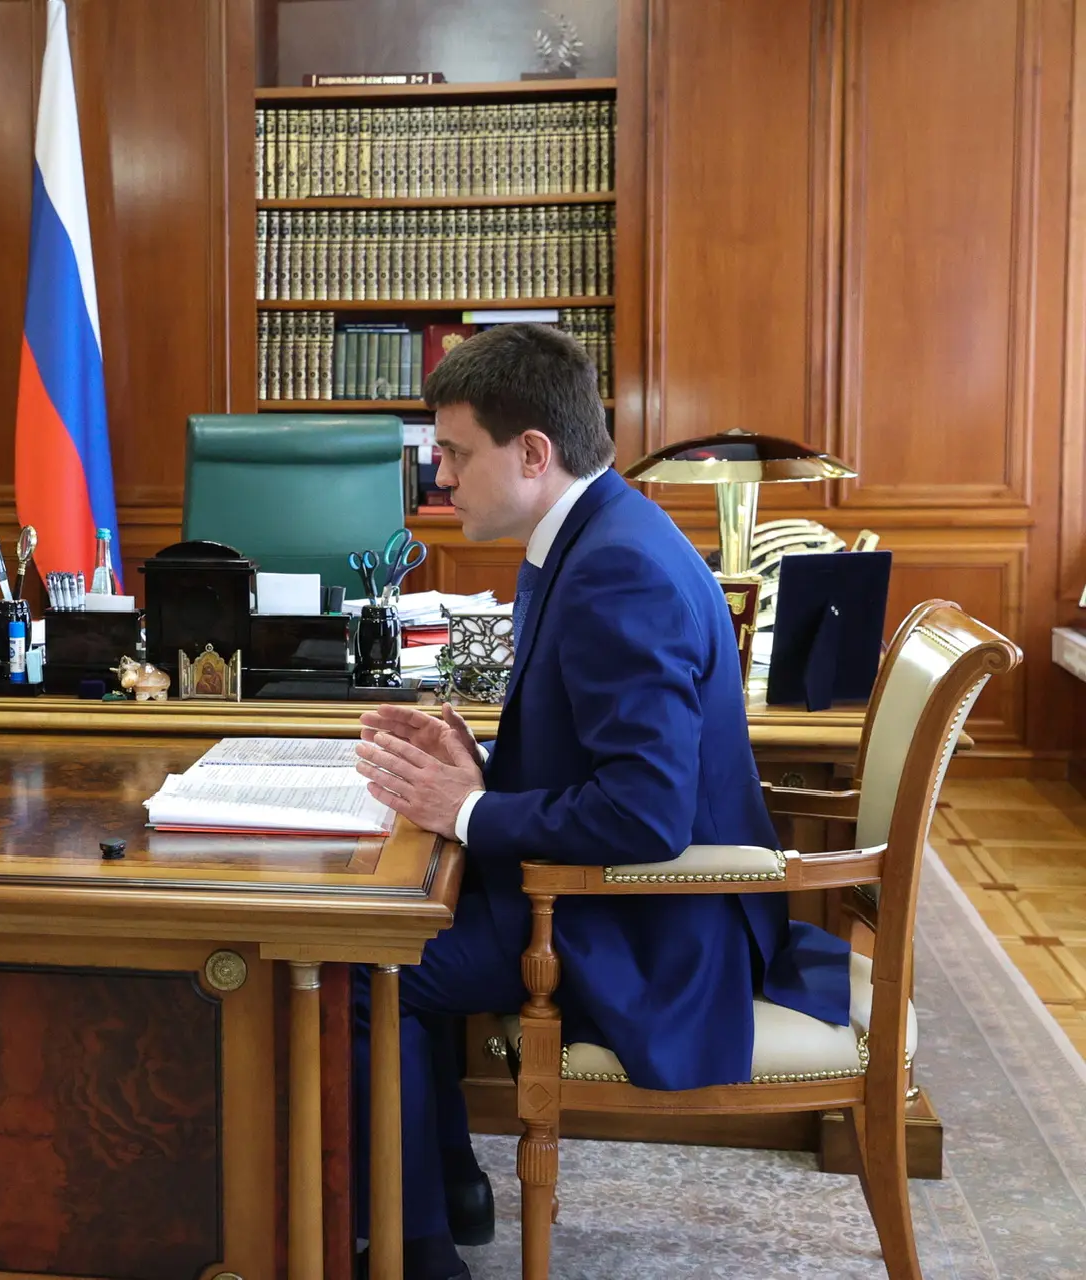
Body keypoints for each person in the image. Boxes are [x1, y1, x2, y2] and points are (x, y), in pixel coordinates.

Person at [351, 326, 851, 1280]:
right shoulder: (594, 533)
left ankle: (415, 1251)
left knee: (366, 964)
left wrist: (467, 813)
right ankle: (448, 1190)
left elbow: (644, 814)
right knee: (397, 929)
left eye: (453, 453)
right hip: (611, 896)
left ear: (532, 452)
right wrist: (479, 766)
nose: (439, 479)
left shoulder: (616, 570)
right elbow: (596, 752)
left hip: (653, 926)